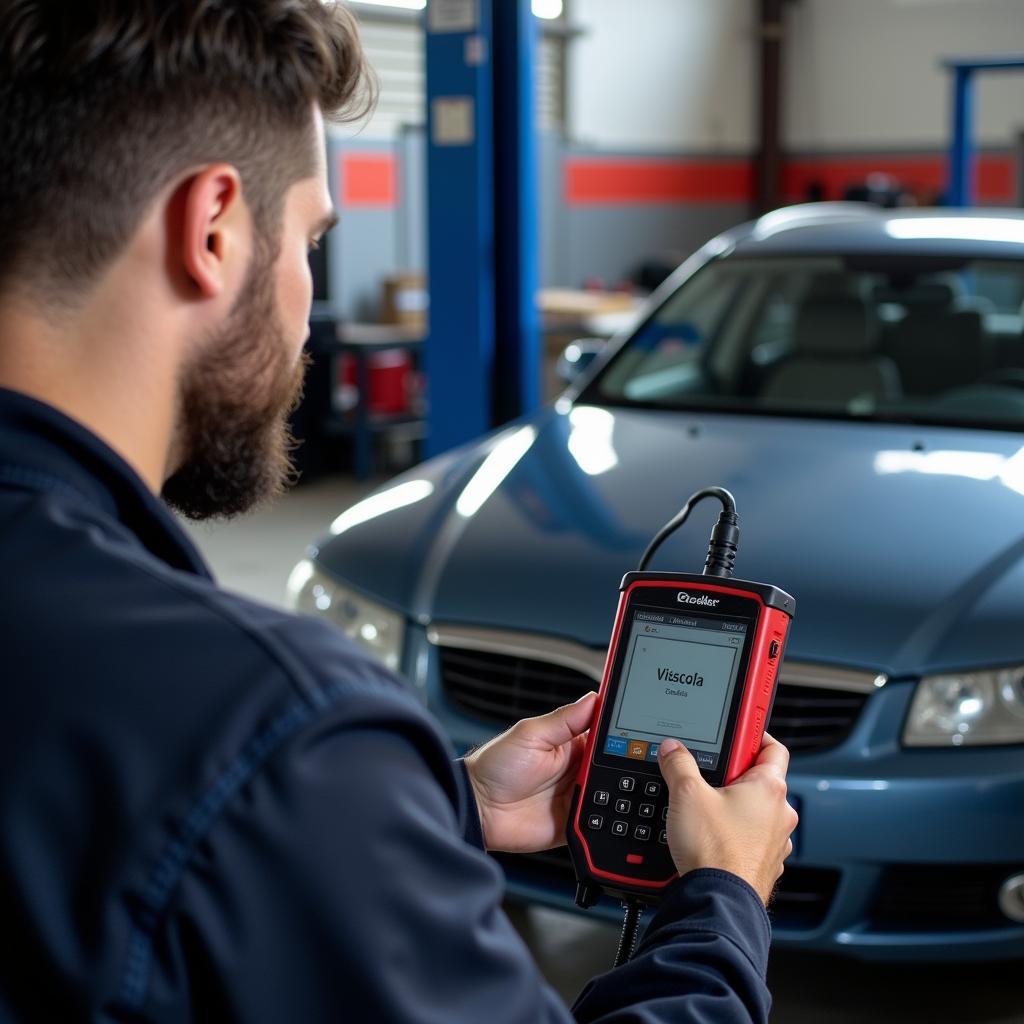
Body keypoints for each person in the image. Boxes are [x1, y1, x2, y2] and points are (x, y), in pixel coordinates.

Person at [0, 2, 798, 1021]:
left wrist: (428, 810)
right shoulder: (264, 727)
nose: (304, 305)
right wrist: (720, 910)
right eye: (310, 242)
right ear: (211, 228)